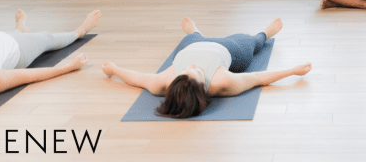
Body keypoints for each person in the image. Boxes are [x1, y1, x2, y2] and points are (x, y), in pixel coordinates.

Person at [101, 17, 311, 118]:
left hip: (190, 46)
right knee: (251, 43)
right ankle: (264, 33)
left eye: (186, 70)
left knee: (190, 41)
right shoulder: (222, 82)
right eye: (198, 71)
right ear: (204, 87)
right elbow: (257, 77)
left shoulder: (162, 82)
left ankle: (195, 33)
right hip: (227, 50)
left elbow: (136, 77)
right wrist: (292, 70)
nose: (193, 65)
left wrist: (114, 69)